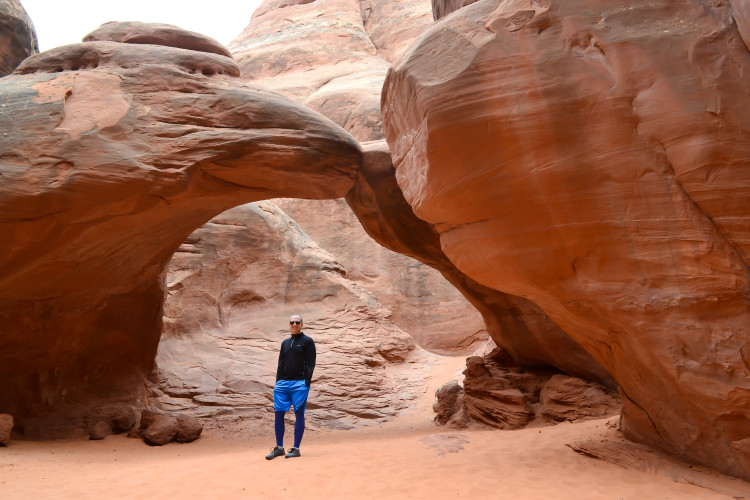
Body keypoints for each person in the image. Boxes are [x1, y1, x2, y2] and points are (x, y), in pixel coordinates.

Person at [265, 314, 316, 460]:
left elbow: (311, 363)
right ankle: (279, 448)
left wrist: (306, 382)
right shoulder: (285, 343)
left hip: (299, 383)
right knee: (278, 413)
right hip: (282, 384)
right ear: (289, 325)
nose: (294, 324)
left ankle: (296, 448)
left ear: (302, 324)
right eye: (292, 322)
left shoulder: (307, 341)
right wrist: (277, 382)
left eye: (297, 322)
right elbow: (280, 363)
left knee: (299, 413)